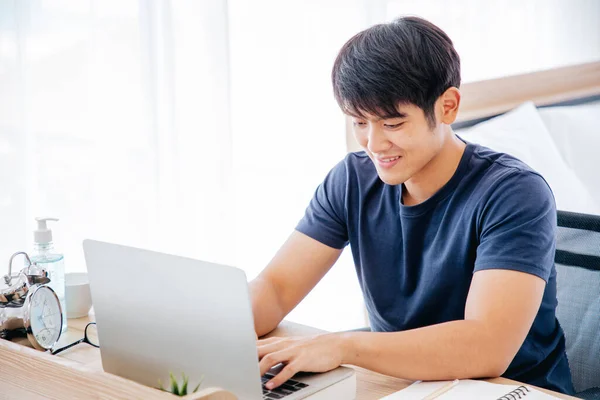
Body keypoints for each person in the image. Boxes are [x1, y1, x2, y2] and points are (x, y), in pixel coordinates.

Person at [249, 16, 574, 395]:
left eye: (392, 124)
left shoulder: (514, 193)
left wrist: (342, 345)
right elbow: (275, 288)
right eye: (359, 122)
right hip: (404, 384)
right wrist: (202, 333)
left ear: (448, 106)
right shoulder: (353, 179)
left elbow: (486, 347)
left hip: (511, 389)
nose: (373, 143)